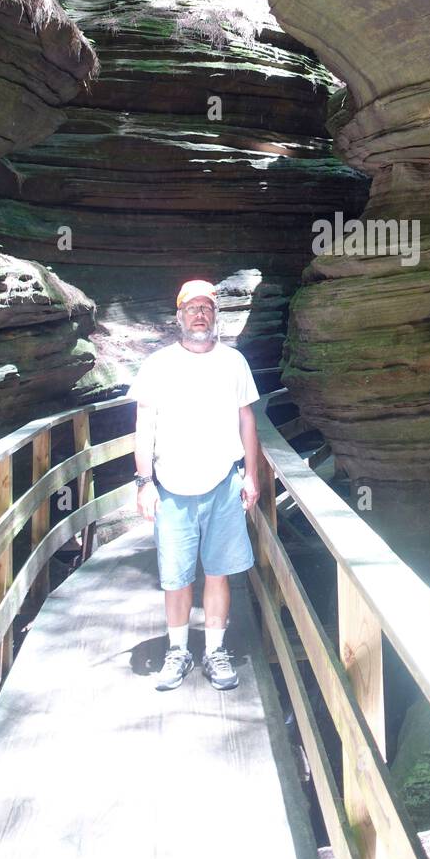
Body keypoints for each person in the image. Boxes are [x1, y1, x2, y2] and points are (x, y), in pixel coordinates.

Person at [126, 279, 261, 692]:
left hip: (222, 483)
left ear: (216, 316)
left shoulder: (233, 362)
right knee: (176, 576)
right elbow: (144, 425)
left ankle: (215, 651)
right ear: (179, 317)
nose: (200, 314)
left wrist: (251, 474)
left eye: (207, 308)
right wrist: (144, 482)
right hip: (171, 487)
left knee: (218, 573)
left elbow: (247, 420)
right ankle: (178, 650)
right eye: (192, 308)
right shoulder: (158, 364)